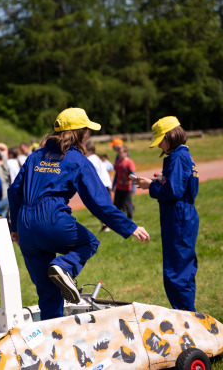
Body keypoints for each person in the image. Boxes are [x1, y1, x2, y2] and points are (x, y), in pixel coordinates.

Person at [8, 108, 150, 320]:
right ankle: (63, 266)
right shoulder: (77, 160)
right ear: (80, 133)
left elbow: (13, 191)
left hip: (25, 225)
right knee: (89, 243)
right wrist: (129, 227)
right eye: (87, 130)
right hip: (52, 220)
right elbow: (98, 202)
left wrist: (15, 228)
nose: (89, 134)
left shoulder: (34, 156)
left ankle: (52, 343)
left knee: (48, 293)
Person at [134, 116, 199, 312]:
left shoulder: (178, 157)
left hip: (178, 216)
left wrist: (151, 186)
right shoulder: (182, 155)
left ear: (171, 135)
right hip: (181, 214)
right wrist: (161, 181)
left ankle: (186, 317)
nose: (160, 147)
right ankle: (187, 314)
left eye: (161, 141)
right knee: (181, 268)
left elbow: (174, 191)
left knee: (176, 272)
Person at [85, 141, 113, 232]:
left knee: (100, 206)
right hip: (107, 183)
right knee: (105, 205)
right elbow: (110, 168)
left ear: (87, 150)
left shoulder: (90, 159)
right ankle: (107, 225)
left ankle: (106, 225)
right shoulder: (99, 157)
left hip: (100, 185)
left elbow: (91, 172)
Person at [113, 146, 136, 219]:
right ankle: (117, 219)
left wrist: (133, 187)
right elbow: (116, 175)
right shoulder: (118, 162)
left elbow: (133, 175)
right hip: (119, 187)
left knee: (128, 204)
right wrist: (114, 185)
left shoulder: (129, 162)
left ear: (126, 153)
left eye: (121, 153)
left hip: (127, 187)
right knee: (117, 204)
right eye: (118, 153)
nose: (119, 154)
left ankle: (130, 219)